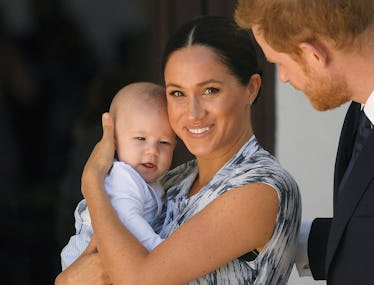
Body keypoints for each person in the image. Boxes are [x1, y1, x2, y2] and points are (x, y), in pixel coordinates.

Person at [55, 16, 301, 285]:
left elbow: (139, 279)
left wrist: (92, 182)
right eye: (177, 93)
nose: (193, 113)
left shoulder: (260, 188)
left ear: (251, 89)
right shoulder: (171, 181)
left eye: (209, 90)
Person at [235, 1, 374, 285]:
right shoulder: (361, 113)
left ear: (313, 54)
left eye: (279, 64)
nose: (283, 78)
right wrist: (275, 234)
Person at [60, 82, 176, 270]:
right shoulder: (122, 177)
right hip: (89, 262)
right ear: (114, 139)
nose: (152, 151)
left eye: (164, 142)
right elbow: (128, 220)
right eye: (140, 139)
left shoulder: (152, 182)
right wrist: (159, 251)